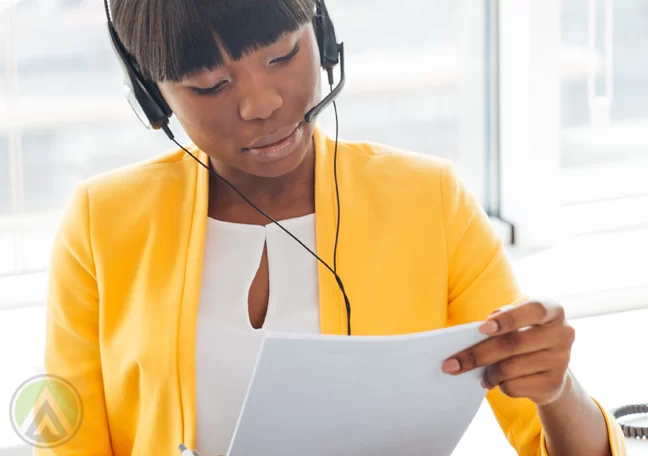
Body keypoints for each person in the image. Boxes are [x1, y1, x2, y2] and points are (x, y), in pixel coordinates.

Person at [41, 0, 626, 455]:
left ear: (320, 37)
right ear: (153, 97)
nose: (260, 103)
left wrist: (555, 386)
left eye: (281, 55)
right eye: (211, 85)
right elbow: (68, 441)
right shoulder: (100, 224)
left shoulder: (430, 202)